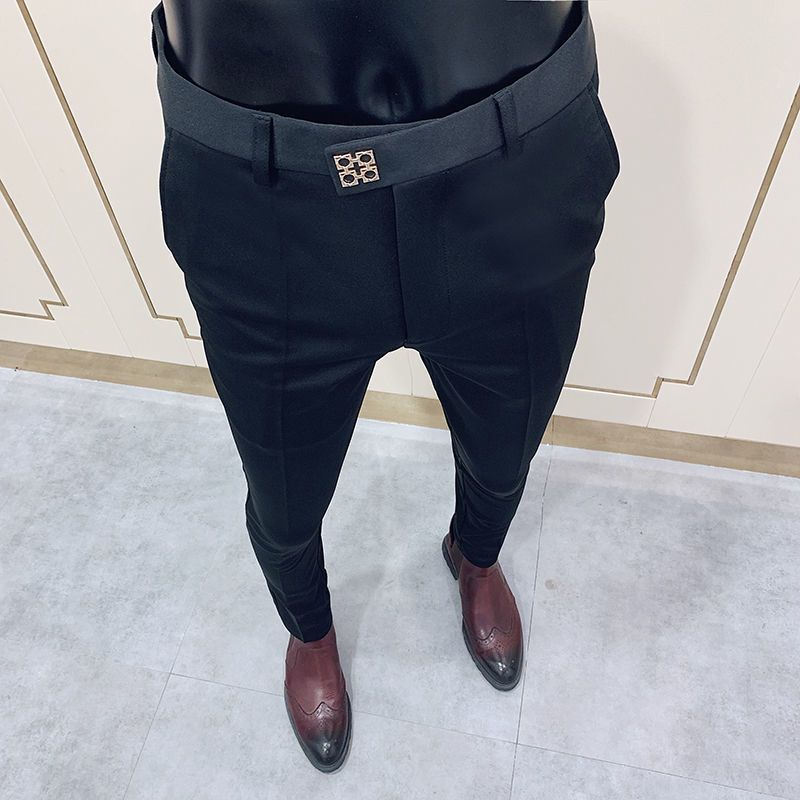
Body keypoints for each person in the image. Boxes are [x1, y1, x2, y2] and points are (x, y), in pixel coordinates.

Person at [150, 0, 620, 772]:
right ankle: (309, 627)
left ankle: (475, 554)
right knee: (285, 495)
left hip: (515, 159)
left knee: (507, 445)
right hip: (264, 194)